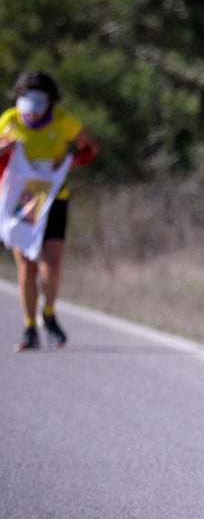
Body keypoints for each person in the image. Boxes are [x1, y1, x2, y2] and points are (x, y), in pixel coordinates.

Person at [0, 70, 98, 351]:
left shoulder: (62, 121)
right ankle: (29, 327)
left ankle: (49, 313)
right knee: (26, 268)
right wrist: (4, 147)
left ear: (50, 101)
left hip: (54, 199)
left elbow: (89, 148)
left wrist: (70, 161)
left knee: (50, 266)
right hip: (20, 202)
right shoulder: (10, 120)